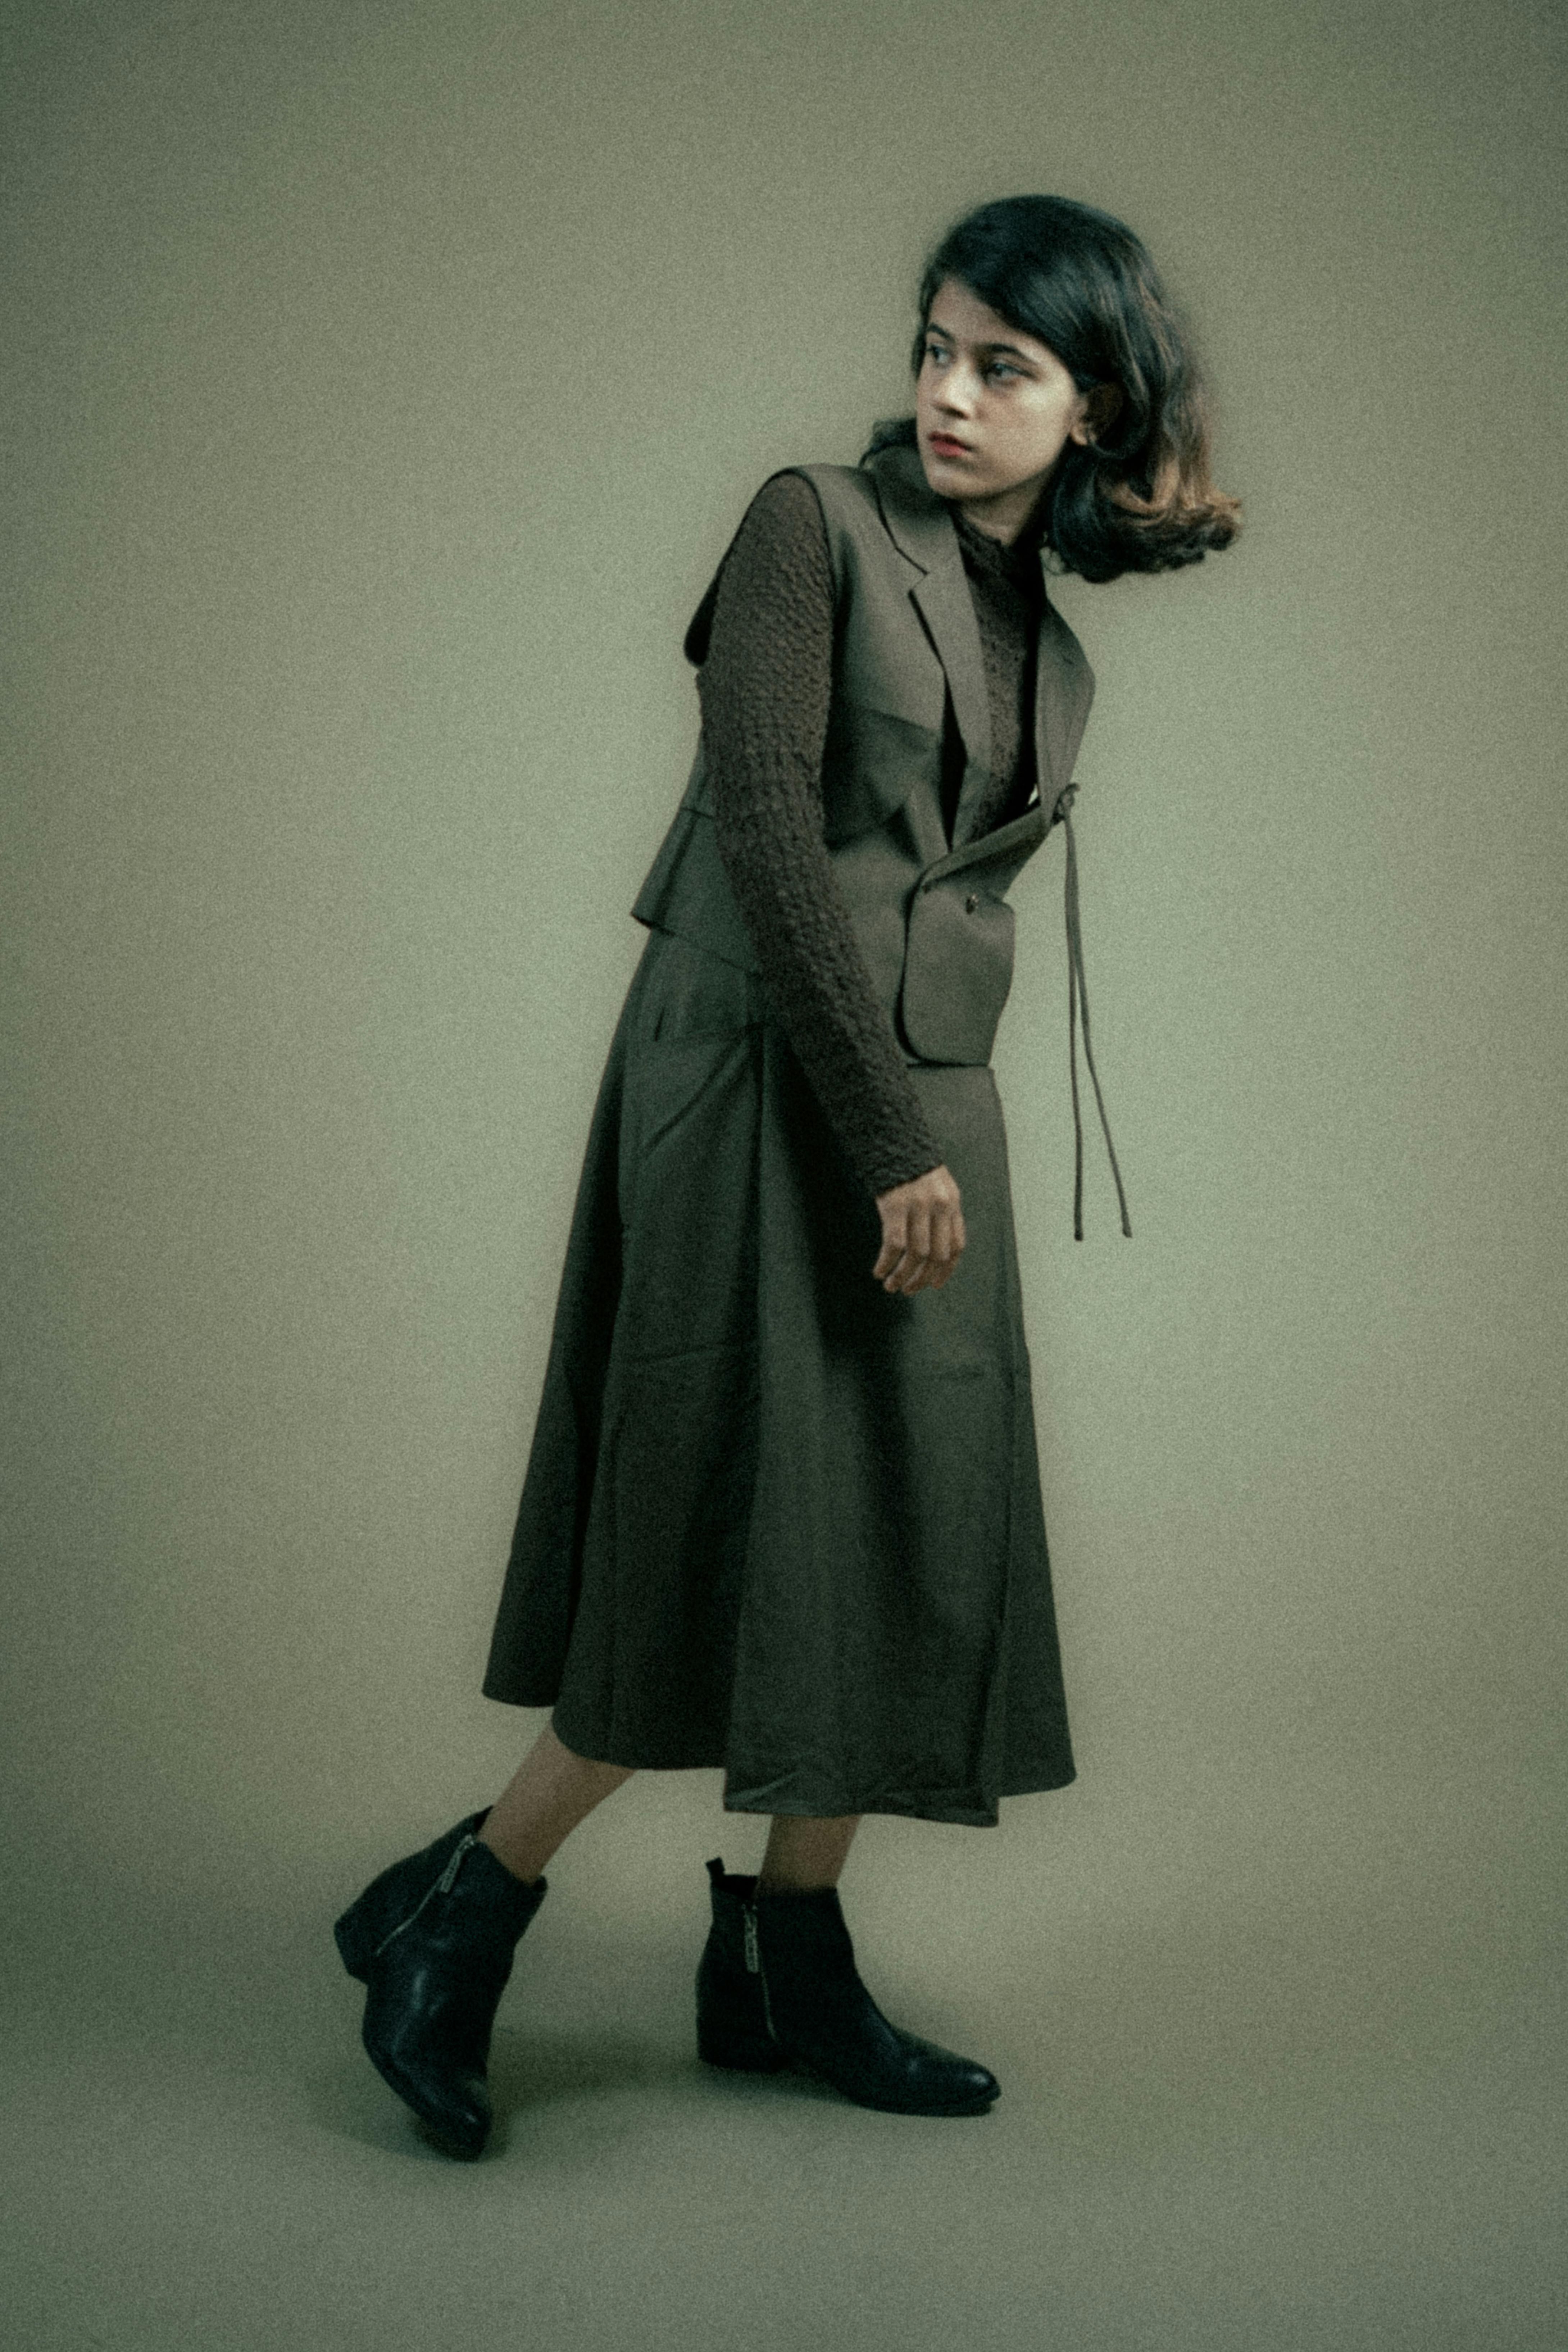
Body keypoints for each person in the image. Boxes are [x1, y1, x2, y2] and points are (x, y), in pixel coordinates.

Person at [333, 193, 1242, 2159]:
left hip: (930, 1086)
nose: (947, 390)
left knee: (897, 1521)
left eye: (1002, 363)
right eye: (934, 348)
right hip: (755, 1061)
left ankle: (783, 1961)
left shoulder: (1050, 643)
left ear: (1091, 404)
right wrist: (887, 1138)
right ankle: (464, 1913)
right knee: (698, 1511)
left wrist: (924, 1124)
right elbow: (761, 816)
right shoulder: (806, 525)